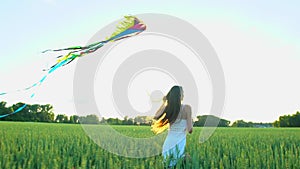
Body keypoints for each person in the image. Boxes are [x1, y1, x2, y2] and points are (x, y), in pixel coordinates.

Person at [151, 86, 193, 168]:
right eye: (182, 93)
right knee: (184, 162)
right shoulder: (187, 108)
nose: (184, 94)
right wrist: (190, 121)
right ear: (179, 95)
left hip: (168, 143)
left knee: (169, 165)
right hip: (179, 142)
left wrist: (164, 102)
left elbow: (156, 116)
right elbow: (190, 130)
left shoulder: (170, 108)